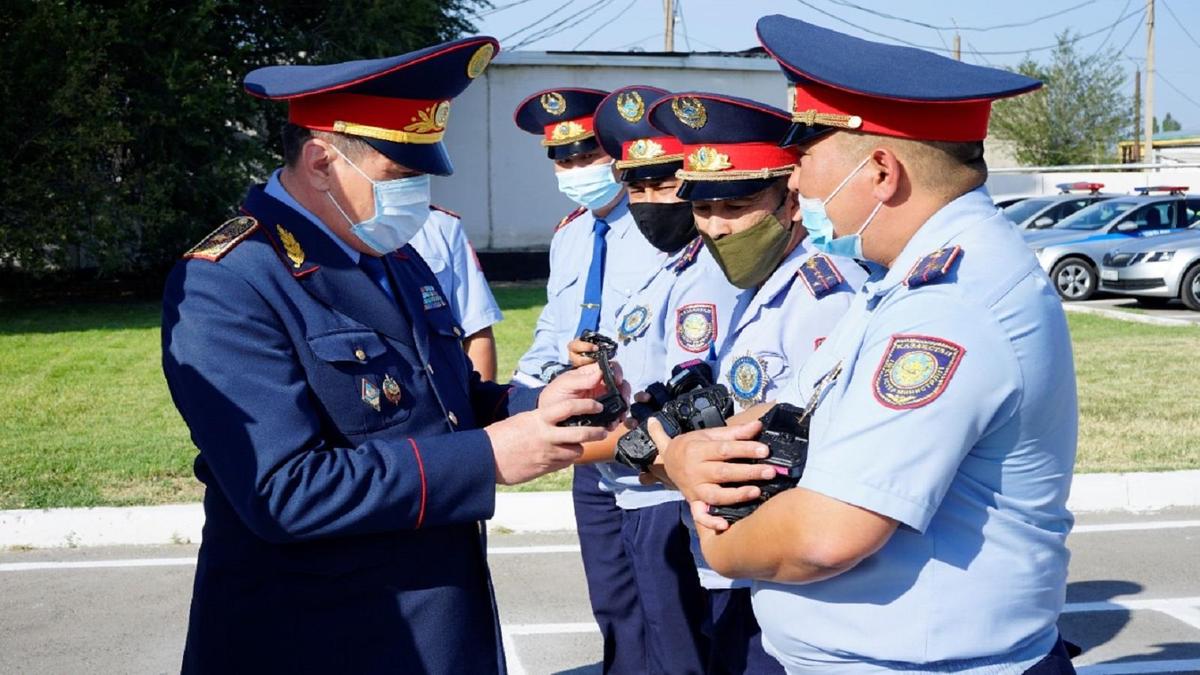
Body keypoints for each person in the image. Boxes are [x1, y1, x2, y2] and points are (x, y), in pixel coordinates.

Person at [161, 37, 622, 674]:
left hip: (438, 618)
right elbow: (282, 490)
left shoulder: (388, 250)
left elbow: (444, 397)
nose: (415, 195)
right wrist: (490, 457)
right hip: (321, 635)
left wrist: (536, 403)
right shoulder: (232, 278)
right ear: (322, 161)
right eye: (400, 176)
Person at [656, 15, 1077, 674]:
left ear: (881, 171)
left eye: (806, 160)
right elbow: (791, 412)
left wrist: (708, 515)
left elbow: (825, 536)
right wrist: (701, 448)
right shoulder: (909, 279)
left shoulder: (946, 307)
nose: (795, 185)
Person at [645, 91, 863, 674]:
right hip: (742, 555)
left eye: (737, 204)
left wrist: (681, 455)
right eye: (703, 207)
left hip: (788, 564)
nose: (717, 226)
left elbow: (818, 443)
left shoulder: (824, 294)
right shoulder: (757, 285)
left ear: (790, 201)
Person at [564, 84, 748, 673]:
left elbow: (702, 399)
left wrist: (591, 442)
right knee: (638, 640)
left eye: (664, 184)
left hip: (670, 487)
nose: (648, 201)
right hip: (630, 477)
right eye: (636, 186)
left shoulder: (722, 273)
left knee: (684, 648)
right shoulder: (670, 268)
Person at [510, 87, 669, 674]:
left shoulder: (664, 228)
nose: (575, 171)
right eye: (564, 160)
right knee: (614, 603)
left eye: (587, 157)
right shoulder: (572, 233)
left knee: (670, 611)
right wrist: (553, 377)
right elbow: (550, 335)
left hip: (647, 443)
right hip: (588, 448)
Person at [410, 205, 503, 379]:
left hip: (438, 394)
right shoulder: (342, 237)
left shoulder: (441, 226)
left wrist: (481, 404)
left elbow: (476, 328)